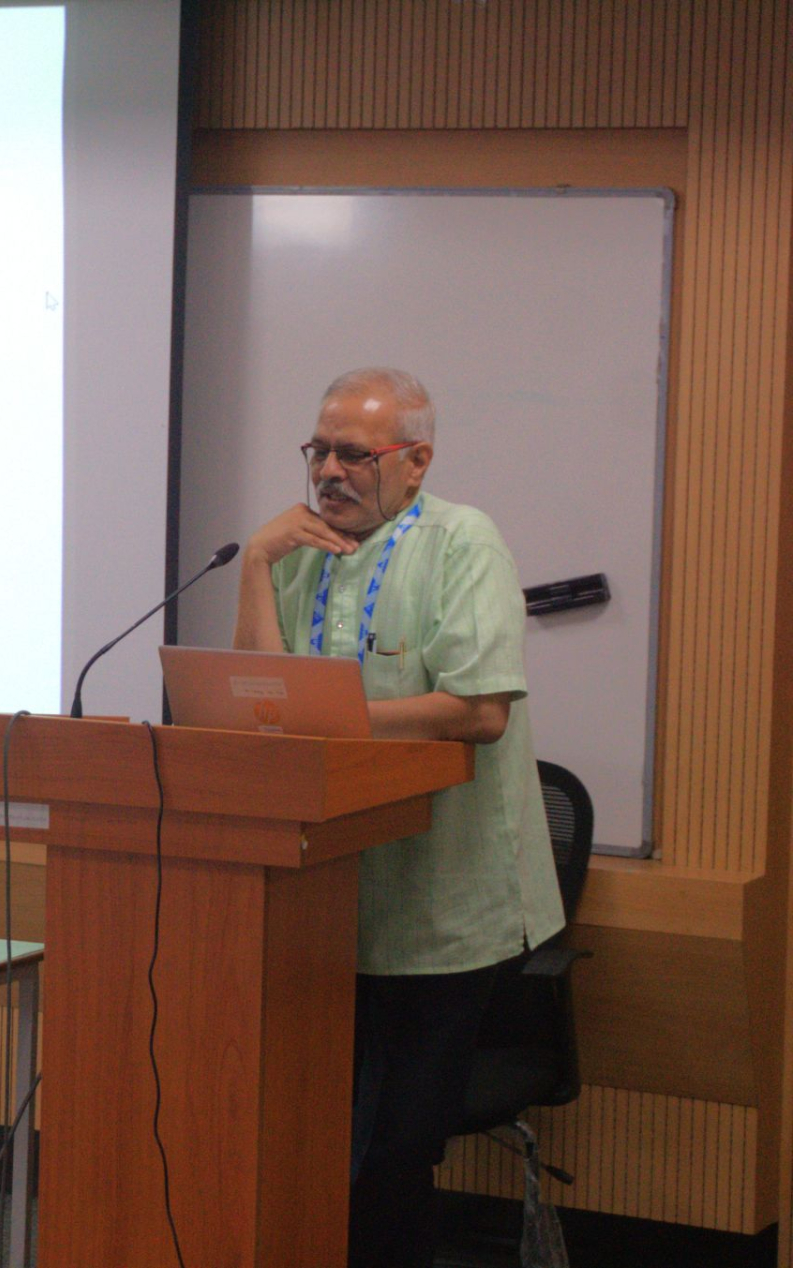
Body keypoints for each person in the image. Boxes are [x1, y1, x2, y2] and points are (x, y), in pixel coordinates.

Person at [232, 367, 566, 1268]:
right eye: (319, 451)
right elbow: (254, 702)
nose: (328, 472)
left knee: (393, 1150)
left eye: (354, 454)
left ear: (415, 462)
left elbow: (479, 709)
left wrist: (324, 718)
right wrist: (257, 564)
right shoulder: (300, 550)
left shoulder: (464, 542)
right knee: (316, 1134)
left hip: (442, 906)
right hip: (324, 903)